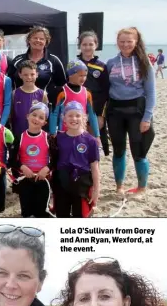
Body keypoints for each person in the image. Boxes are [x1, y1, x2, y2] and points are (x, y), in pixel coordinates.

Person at [106, 27, 156, 196]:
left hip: (138, 111)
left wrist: (147, 117)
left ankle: (141, 187)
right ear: (117, 43)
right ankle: (119, 186)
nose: (125, 44)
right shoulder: (111, 63)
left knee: (139, 151)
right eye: (122, 41)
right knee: (119, 150)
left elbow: (151, 93)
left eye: (129, 41)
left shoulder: (144, 63)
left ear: (136, 42)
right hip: (115, 112)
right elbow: (105, 90)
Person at [52, 101, 100, 218]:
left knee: (80, 217)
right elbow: (53, 163)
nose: (74, 118)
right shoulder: (58, 138)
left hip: (82, 183)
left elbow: (95, 167)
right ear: (64, 118)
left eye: (78, 115)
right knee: (62, 216)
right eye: (70, 115)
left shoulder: (91, 141)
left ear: (84, 118)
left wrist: (96, 190)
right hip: (61, 182)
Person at [8, 102, 55, 218]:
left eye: (41, 117)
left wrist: (47, 168)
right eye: (34, 115)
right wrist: (22, 167)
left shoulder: (48, 137)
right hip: (26, 179)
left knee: (41, 213)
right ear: (27, 116)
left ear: (44, 122)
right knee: (27, 214)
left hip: (42, 179)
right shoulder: (20, 137)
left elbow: (56, 158)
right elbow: (12, 160)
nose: (36, 119)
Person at [50, 60, 101, 145]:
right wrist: (52, 133)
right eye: (80, 75)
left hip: (81, 133)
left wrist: (97, 135)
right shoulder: (62, 92)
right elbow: (54, 113)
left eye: (85, 75)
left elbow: (92, 114)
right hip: (64, 133)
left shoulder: (87, 92)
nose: (83, 78)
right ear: (71, 75)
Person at [10, 26, 66, 101]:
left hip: (44, 107)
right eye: (35, 38)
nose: (38, 40)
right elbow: (9, 83)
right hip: (20, 103)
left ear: (46, 42)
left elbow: (62, 84)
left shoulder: (53, 61)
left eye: (41, 39)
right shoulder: (18, 60)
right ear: (29, 40)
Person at [77, 31, 111, 155]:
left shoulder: (102, 66)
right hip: (77, 110)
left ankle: (93, 171)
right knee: (78, 141)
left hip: (95, 110)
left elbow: (106, 92)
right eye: (84, 44)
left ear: (96, 45)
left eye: (90, 44)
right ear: (80, 46)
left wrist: (101, 115)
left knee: (93, 143)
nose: (87, 47)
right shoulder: (74, 64)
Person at [10, 60, 48, 138]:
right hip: (17, 135)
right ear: (20, 75)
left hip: (36, 136)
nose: (29, 77)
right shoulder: (14, 94)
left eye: (32, 74)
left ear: (37, 74)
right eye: (25, 75)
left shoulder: (42, 94)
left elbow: (45, 117)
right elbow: (11, 115)